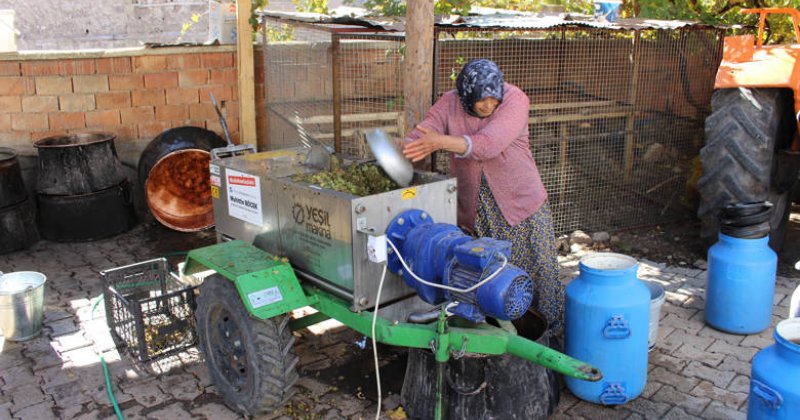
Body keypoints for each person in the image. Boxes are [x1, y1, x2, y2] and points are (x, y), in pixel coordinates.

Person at [402, 59, 564, 335]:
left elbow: (488, 145)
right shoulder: (450, 102)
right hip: (477, 210)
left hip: (521, 206)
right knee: (488, 277)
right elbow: (427, 130)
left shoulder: (515, 100)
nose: (489, 106)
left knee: (539, 273)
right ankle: (499, 339)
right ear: (465, 96)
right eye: (481, 102)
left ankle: (550, 338)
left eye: (493, 100)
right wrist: (406, 146)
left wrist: (441, 142)